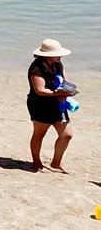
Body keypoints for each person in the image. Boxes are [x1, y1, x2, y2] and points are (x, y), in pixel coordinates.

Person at [27, 39, 77, 173]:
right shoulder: (36, 68)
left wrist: (69, 90)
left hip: (58, 104)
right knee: (39, 134)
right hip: (40, 105)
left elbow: (64, 81)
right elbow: (40, 90)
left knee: (67, 135)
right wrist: (58, 93)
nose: (60, 56)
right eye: (57, 53)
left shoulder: (58, 64)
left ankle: (56, 163)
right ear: (47, 55)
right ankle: (36, 163)